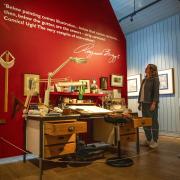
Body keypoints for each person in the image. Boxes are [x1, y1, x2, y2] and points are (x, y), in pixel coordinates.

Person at [138, 64, 160, 148]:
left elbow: (156, 92)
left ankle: (155, 141)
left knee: (153, 122)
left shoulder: (155, 79)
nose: (145, 68)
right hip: (144, 103)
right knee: (145, 122)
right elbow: (141, 92)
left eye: (147, 67)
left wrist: (154, 103)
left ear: (151, 70)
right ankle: (148, 139)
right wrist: (140, 103)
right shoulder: (144, 80)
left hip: (151, 104)